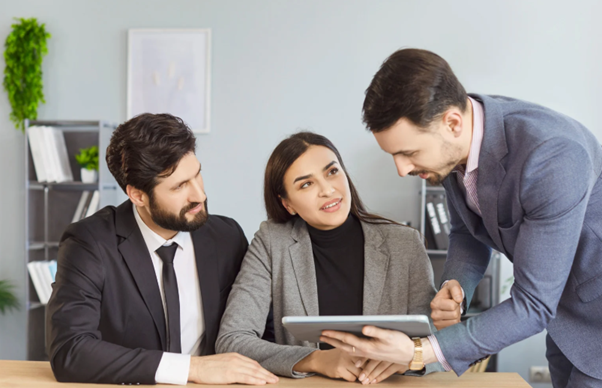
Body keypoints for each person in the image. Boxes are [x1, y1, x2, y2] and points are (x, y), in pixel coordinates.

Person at [320, 48, 602, 388]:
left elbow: (533, 304)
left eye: (408, 153)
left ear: (452, 122)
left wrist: (419, 352)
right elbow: (468, 232)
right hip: (566, 325)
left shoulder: (552, 155)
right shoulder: (461, 143)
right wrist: (456, 286)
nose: (401, 169)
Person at [46, 113, 278, 386]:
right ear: (138, 195)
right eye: (180, 186)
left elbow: (264, 330)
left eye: (197, 174)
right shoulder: (89, 243)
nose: (199, 195)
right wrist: (193, 369)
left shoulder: (227, 236)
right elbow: (70, 351)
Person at [216, 132, 441, 385]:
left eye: (332, 172)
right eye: (306, 184)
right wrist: (315, 359)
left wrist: (408, 358)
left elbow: (439, 347)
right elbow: (232, 340)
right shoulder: (271, 242)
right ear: (288, 204)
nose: (327, 190)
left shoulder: (406, 243)